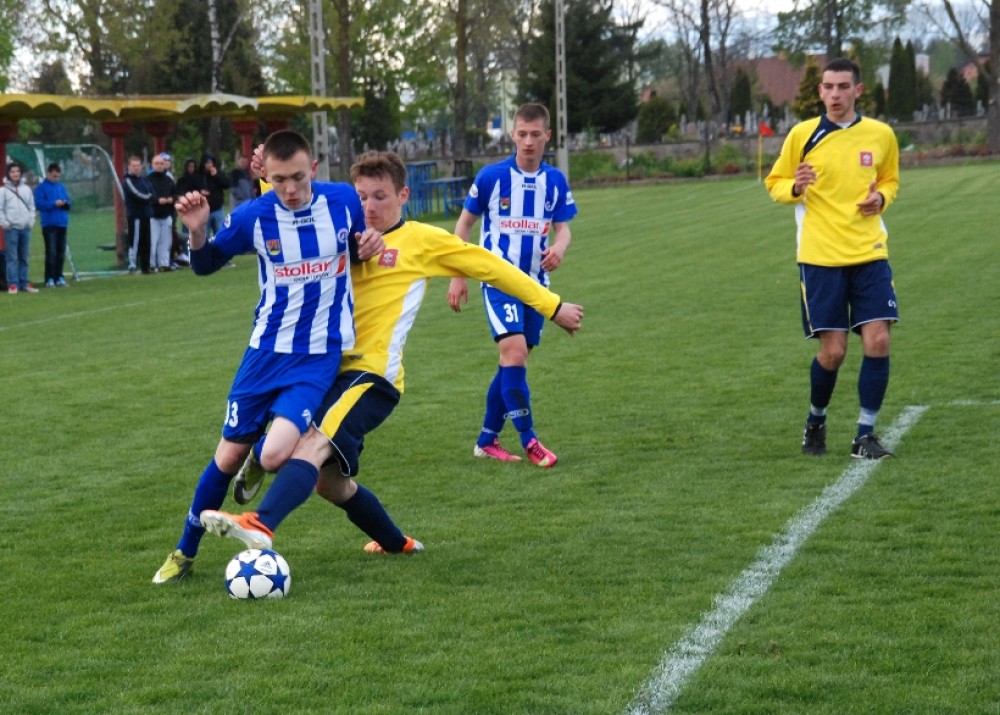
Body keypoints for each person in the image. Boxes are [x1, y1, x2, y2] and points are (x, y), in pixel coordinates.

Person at [197, 150, 584, 556]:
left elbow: (492, 267)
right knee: (331, 484)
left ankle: (261, 523)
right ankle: (397, 544)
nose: (368, 206)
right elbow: (289, 221)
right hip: (324, 370)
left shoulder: (421, 240)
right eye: (361, 196)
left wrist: (552, 306)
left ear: (403, 195)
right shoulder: (341, 232)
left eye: (379, 196)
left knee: (313, 441)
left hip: (372, 376)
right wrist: (266, 181)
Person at [152, 130, 383, 584]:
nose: (290, 189)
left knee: (276, 455)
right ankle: (184, 551)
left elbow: (357, 251)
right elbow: (205, 264)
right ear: (266, 176)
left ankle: (259, 459)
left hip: (317, 357)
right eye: (279, 180)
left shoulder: (342, 200)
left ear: (313, 168)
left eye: (297, 177)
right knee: (226, 457)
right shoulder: (253, 216)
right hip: (264, 355)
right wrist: (196, 231)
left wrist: (367, 246)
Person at [764, 57, 901, 460]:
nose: (835, 94)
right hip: (821, 257)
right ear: (820, 91)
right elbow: (775, 182)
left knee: (879, 339)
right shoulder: (803, 135)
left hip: (869, 252)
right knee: (834, 352)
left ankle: (864, 435)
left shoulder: (881, 134)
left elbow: (890, 178)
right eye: (829, 87)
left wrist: (882, 198)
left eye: (843, 87)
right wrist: (795, 187)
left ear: (858, 90)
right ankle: (816, 420)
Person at [446, 103, 576, 468]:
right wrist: (458, 275)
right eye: (522, 134)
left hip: (536, 286)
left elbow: (564, 228)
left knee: (511, 363)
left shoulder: (555, 180)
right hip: (498, 281)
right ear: (512, 135)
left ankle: (487, 440)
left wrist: (559, 248)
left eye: (535, 134)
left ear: (547, 135)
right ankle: (530, 440)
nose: (528, 141)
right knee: (514, 354)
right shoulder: (492, 177)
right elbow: (464, 225)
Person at [1, 162, 38, 294]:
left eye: (17, 171)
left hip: (25, 228)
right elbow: (0, 209)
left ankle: (24, 283)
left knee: (24, 257)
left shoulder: (26, 189)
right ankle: (13, 284)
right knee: (12, 258)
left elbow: (31, 207)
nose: (15, 174)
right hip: (11, 229)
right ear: (8, 174)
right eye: (13, 172)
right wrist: (5, 223)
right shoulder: (3, 191)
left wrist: (30, 221)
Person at [34, 163, 72, 287]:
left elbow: (69, 202)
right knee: (51, 252)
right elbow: (39, 204)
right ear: (48, 174)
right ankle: (49, 278)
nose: (56, 179)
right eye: (54, 176)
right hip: (49, 224)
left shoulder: (61, 187)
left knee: (61, 252)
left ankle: (59, 276)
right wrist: (54, 203)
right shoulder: (41, 188)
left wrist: (65, 203)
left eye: (58, 176)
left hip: (62, 223)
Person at [123, 156, 155, 274]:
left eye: (138, 165)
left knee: (146, 241)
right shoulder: (128, 181)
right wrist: (149, 197)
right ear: (129, 167)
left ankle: (146, 267)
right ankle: (132, 265)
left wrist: (150, 197)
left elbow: (153, 193)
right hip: (135, 215)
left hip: (146, 214)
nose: (136, 168)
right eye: (133, 166)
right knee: (135, 241)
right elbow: (137, 195)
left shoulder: (144, 180)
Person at [147, 153, 176, 272]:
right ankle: (152, 264)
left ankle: (164, 263)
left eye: (161, 163)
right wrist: (157, 200)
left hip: (167, 214)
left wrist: (172, 199)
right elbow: (147, 196)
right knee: (153, 241)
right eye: (157, 163)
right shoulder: (148, 180)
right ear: (152, 165)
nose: (159, 165)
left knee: (166, 241)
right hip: (153, 215)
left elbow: (175, 193)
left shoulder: (168, 180)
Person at [199, 154, 230, 238]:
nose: (210, 165)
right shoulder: (199, 175)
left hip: (217, 208)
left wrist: (217, 175)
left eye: (211, 162)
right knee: (204, 236)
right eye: (207, 163)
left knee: (221, 235)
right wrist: (200, 192)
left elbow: (227, 184)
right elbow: (192, 187)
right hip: (204, 210)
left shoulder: (218, 172)